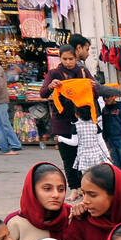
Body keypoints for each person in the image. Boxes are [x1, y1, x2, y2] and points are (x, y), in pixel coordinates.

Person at [39, 43, 98, 189]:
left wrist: (93, 86)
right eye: (64, 59)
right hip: (62, 121)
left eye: (71, 59)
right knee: (68, 157)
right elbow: (43, 93)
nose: (68, 62)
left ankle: (85, 186)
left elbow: (95, 94)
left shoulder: (83, 72)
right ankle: (74, 188)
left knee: (84, 155)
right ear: (60, 58)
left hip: (83, 119)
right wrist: (51, 86)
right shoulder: (54, 74)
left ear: (75, 57)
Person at [5, 163, 70, 240]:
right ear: (32, 190)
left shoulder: (71, 216)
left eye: (61, 189)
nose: (56, 195)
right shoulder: (15, 223)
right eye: (47, 188)